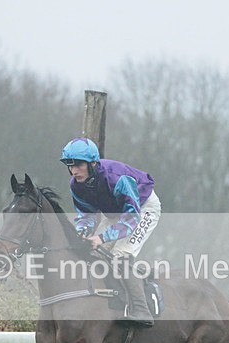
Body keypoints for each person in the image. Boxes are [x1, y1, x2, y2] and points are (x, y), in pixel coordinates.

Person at [60, 137, 161, 327]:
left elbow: (132, 217)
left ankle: (142, 310)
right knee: (93, 254)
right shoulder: (76, 185)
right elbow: (86, 215)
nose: (74, 171)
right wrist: (82, 232)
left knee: (120, 255)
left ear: (93, 163)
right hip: (116, 212)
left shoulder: (117, 178)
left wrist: (101, 237)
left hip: (142, 209)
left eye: (79, 165)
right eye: (70, 166)